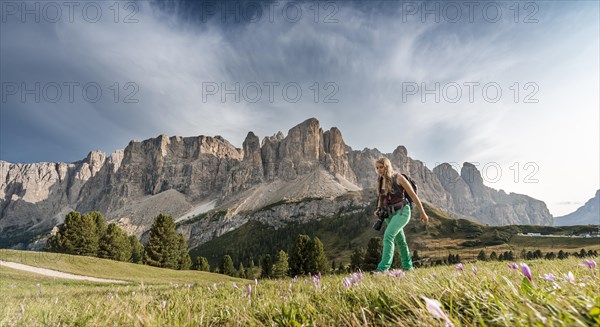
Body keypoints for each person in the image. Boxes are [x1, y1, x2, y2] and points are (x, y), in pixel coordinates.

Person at [373, 157, 429, 272]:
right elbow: (381, 197)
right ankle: (409, 267)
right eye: (377, 168)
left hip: (403, 211)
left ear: (387, 166)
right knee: (401, 241)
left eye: (381, 167)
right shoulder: (379, 181)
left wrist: (423, 213)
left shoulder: (399, 178)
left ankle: (383, 268)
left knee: (388, 236)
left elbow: (413, 196)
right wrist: (378, 208)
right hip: (388, 215)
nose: (379, 170)